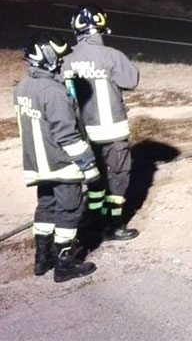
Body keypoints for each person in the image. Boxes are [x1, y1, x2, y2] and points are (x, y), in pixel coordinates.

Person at [15, 32, 100, 283]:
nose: (61, 62)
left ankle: (42, 259)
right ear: (47, 57)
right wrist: (89, 165)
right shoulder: (53, 91)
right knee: (68, 212)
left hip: (38, 165)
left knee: (46, 207)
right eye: (58, 57)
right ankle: (65, 264)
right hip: (62, 165)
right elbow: (67, 136)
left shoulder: (22, 87)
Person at [61, 4, 140, 242]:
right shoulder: (112, 56)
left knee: (94, 178)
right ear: (102, 26)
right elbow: (131, 80)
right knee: (118, 175)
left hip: (82, 134)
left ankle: (93, 223)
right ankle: (114, 224)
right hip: (113, 131)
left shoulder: (67, 60)